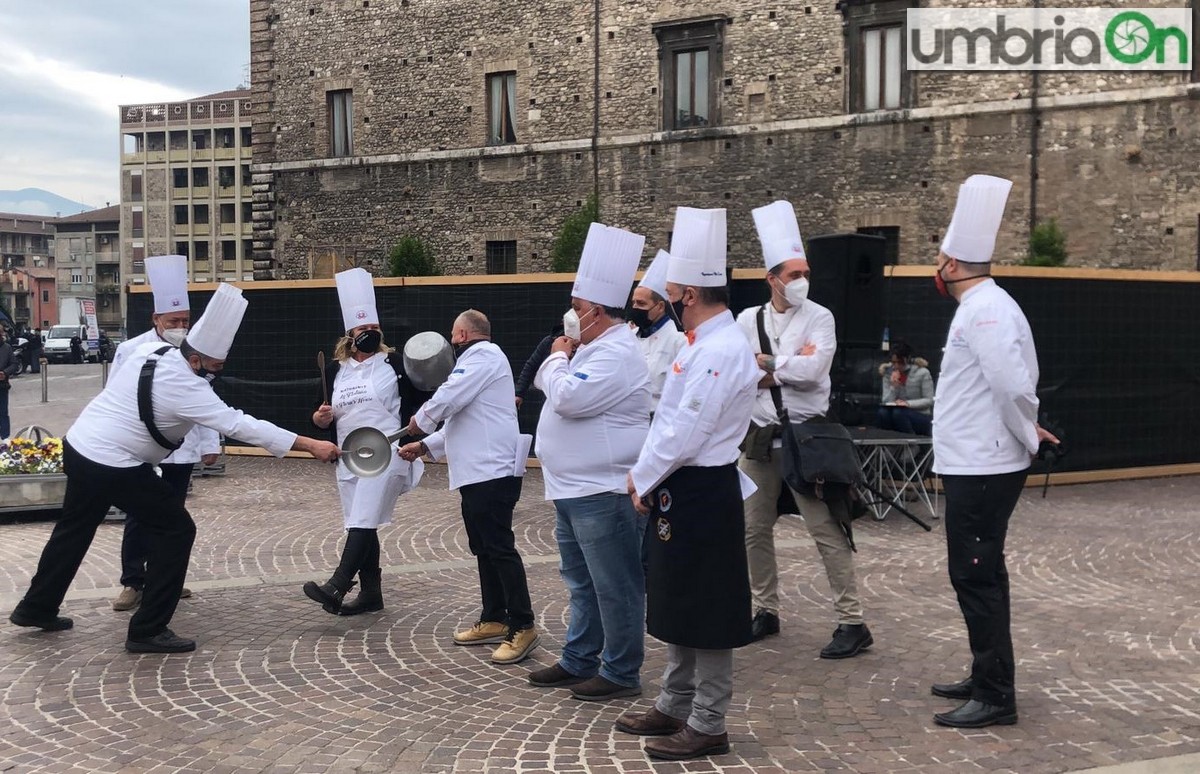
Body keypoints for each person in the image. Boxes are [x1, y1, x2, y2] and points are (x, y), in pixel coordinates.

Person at [7, 283, 342, 653]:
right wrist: (310, 444)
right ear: (196, 359)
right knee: (176, 529)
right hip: (113, 463)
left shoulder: (152, 350)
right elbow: (241, 424)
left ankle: (36, 607)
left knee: (74, 527)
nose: (215, 375)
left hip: (80, 447)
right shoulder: (188, 386)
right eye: (214, 367)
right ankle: (147, 629)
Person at [616, 207, 759, 761]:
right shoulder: (702, 345)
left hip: (702, 488)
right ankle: (676, 703)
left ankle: (709, 721)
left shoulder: (719, 349)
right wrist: (649, 476)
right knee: (678, 598)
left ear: (692, 296)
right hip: (684, 485)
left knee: (708, 606)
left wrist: (643, 477)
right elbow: (671, 423)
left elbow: (686, 428)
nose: (670, 301)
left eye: (674, 293)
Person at [928, 174, 1058, 729]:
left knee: (976, 574)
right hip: (975, 460)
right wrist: (1029, 430)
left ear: (953, 265)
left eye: (940, 256)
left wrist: (1028, 433)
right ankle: (986, 671)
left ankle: (995, 694)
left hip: (982, 464)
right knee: (982, 573)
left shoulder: (985, 309)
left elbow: (1010, 384)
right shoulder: (984, 305)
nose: (936, 264)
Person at [736, 200, 873, 658]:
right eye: (793, 274)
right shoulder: (747, 320)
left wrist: (771, 364)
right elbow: (739, 373)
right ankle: (765, 609)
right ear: (771, 278)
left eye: (805, 273)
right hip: (759, 437)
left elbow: (816, 372)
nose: (801, 282)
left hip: (808, 437)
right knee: (753, 528)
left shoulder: (821, 317)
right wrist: (782, 367)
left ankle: (852, 620)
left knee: (825, 529)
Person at [526, 223, 652, 702]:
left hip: (604, 489)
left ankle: (620, 671)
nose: (571, 318)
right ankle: (580, 658)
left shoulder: (615, 352)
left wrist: (557, 359)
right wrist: (562, 361)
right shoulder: (592, 348)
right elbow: (554, 390)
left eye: (577, 309)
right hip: (572, 487)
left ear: (597, 311)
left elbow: (567, 399)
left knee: (615, 585)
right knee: (580, 581)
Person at [398, 310, 539, 665]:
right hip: (478, 472)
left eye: (452, 335)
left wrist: (419, 422)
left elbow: (449, 397)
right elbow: (462, 419)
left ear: (461, 334)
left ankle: (523, 625)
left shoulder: (482, 357)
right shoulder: (483, 364)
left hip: (491, 472)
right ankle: (494, 617)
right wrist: (426, 444)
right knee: (485, 548)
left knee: (499, 547)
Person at [304, 268, 425, 615]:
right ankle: (372, 594)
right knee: (363, 522)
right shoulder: (334, 370)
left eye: (373, 328)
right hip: (349, 457)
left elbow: (422, 401)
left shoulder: (396, 364)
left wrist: (418, 438)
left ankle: (337, 584)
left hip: (387, 454)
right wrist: (319, 419)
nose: (369, 333)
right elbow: (317, 413)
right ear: (350, 335)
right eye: (362, 329)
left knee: (363, 519)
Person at [109, 255, 220, 612]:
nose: (180, 326)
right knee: (139, 514)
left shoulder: (194, 351)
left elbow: (205, 399)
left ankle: (165, 577)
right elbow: (115, 400)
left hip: (181, 447)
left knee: (173, 513)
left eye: (185, 320)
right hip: (141, 448)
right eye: (174, 321)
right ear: (156, 319)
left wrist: (209, 442)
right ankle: (133, 580)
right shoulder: (130, 350)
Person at [629, 250, 685, 412]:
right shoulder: (628, 337)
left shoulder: (679, 342)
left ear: (660, 306)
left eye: (641, 304)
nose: (635, 309)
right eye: (634, 303)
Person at [876, 340, 935, 436]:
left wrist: (907, 404)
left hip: (920, 414)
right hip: (897, 411)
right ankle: (889, 442)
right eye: (894, 363)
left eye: (900, 363)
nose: (897, 366)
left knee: (898, 413)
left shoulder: (922, 373)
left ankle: (911, 443)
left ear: (907, 359)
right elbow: (885, 400)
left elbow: (929, 400)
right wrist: (893, 387)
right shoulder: (888, 373)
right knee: (883, 413)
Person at [514, 322, 563, 408]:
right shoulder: (549, 341)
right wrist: (519, 393)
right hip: (549, 400)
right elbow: (531, 366)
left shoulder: (587, 345)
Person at [0, 328, 18, 438]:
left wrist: (5, 373)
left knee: (3, 413)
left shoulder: (7, 348)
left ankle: (5, 438)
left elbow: (14, 364)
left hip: (2, 386)